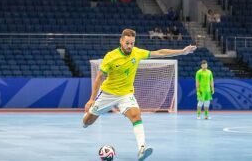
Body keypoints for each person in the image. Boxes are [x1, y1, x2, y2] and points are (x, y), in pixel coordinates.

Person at [82, 29, 197, 160]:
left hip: (126, 94)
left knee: (136, 115)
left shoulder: (137, 53)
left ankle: (142, 148)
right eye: (127, 43)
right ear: (121, 41)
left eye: (132, 43)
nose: (129, 46)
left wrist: (182, 51)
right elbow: (99, 77)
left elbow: (159, 53)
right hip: (108, 94)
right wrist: (91, 99)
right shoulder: (111, 56)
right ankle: (86, 118)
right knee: (88, 122)